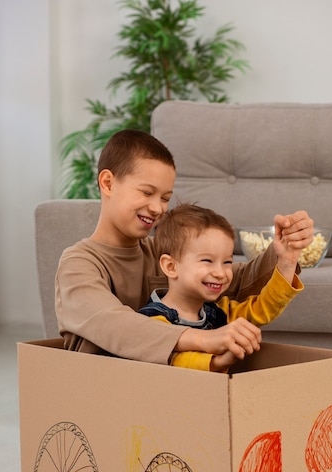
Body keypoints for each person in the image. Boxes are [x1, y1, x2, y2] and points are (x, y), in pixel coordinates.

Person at [55, 129, 314, 366]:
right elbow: (112, 323)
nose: (157, 208)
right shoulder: (78, 264)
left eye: (165, 198)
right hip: (105, 396)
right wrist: (203, 339)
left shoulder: (161, 251)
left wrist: (283, 253)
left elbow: (235, 280)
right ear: (108, 183)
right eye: (147, 193)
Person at [138, 204, 304, 372]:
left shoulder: (218, 313)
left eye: (227, 262)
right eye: (207, 261)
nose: (220, 273)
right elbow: (171, 360)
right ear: (171, 266)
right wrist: (216, 363)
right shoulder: (153, 321)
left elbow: (261, 309)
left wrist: (287, 263)